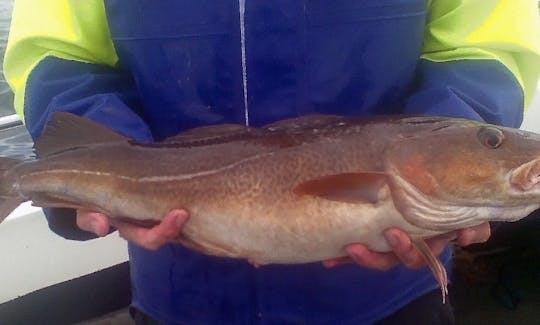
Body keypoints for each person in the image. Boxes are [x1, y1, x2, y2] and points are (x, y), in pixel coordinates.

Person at [4, 1, 540, 324]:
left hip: (389, 304)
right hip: (179, 289)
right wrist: (106, 172)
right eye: (492, 141)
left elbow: (485, 50)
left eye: (490, 141)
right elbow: (58, 54)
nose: (498, 144)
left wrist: (470, 118)